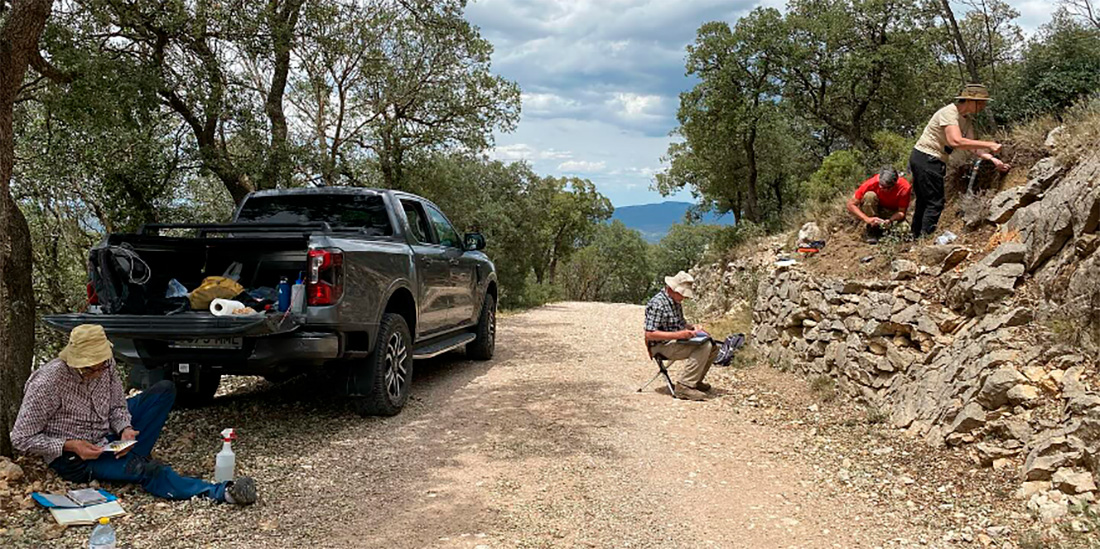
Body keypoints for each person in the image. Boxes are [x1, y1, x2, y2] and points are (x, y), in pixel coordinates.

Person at [10, 324, 257, 505]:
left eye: (101, 365)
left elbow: (118, 406)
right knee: (149, 470)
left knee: (164, 391)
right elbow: (21, 438)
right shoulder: (47, 382)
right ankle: (221, 492)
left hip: (108, 436)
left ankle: (132, 455)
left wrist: (124, 429)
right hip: (77, 457)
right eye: (90, 368)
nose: (98, 371)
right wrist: (71, 445)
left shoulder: (106, 364)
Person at [910, 83, 1011, 238]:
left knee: (925, 200)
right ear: (970, 101)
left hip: (931, 159)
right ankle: (924, 239)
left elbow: (971, 147)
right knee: (935, 202)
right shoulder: (949, 113)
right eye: (981, 102)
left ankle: (916, 238)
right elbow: (955, 141)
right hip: (926, 157)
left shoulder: (966, 120)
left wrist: (992, 159)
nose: (983, 106)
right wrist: (989, 144)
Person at [643, 271, 718, 401]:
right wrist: (679, 334)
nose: (683, 298)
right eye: (682, 294)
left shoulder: (675, 301)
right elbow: (649, 334)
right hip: (661, 346)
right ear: (672, 289)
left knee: (713, 346)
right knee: (704, 347)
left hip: (674, 341)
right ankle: (684, 386)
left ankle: (695, 381)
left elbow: (681, 323)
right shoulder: (658, 304)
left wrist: (694, 328)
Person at [846, 166, 912, 243]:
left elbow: (901, 212)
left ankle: (886, 232)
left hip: (891, 213)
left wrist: (890, 220)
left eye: (888, 188)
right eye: (882, 186)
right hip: (875, 210)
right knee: (869, 196)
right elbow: (850, 205)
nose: (884, 189)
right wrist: (867, 219)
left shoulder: (904, 188)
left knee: (905, 230)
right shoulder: (871, 183)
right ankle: (872, 229)